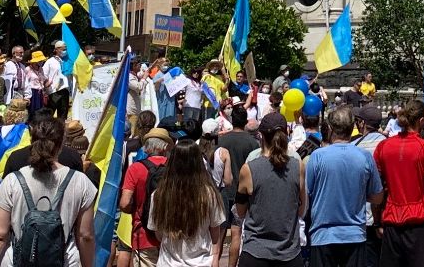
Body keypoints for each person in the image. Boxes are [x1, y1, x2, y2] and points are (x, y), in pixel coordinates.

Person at [0, 115, 99, 267]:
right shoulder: (81, 182)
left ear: (31, 140)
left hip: (18, 261)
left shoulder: (12, 181)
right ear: (61, 144)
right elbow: (85, 236)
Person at [305, 104, 385, 267]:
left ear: (331, 128)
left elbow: (307, 194)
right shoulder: (364, 157)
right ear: (353, 126)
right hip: (355, 235)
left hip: (323, 236)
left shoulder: (317, 156)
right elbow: (378, 198)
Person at [377, 98, 424, 267]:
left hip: (392, 222)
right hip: (419, 224)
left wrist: (378, 220)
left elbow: (377, 189)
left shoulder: (384, 146)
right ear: (422, 121)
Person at [237, 111, 305, 267]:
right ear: (286, 133)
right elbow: (301, 210)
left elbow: (240, 212)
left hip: (255, 252)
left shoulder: (248, 169)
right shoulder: (298, 166)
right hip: (289, 253)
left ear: (261, 135)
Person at [147, 136, 228, 267]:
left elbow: (158, 233)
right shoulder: (209, 194)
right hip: (201, 261)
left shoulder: (158, 195)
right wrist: (215, 257)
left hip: (168, 262)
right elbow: (215, 231)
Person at [121, 126, 176, 265]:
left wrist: (136, 209)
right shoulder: (175, 168)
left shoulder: (135, 169)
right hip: (172, 236)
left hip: (143, 235)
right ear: (165, 147)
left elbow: (124, 203)